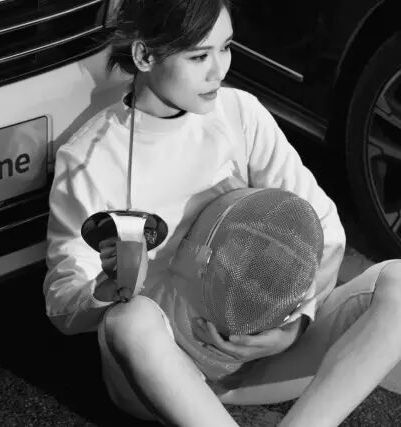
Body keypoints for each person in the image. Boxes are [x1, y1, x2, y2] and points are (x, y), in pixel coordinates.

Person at [43, 0, 401, 425]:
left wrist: (293, 328)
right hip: (159, 377)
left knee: (399, 282)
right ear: (144, 55)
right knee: (129, 320)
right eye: (199, 57)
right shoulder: (91, 158)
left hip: (262, 358)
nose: (219, 70)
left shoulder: (240, 114)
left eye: (226, 47)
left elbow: (323, 227)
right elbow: (62, 303)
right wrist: (108, 284)